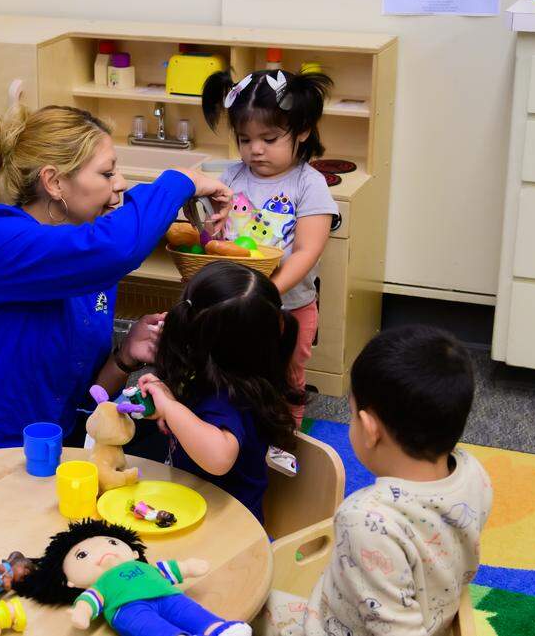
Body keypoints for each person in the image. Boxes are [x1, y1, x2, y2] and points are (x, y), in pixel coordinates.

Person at [0, 104, 232, 468]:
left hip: (38, 458)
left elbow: (80, 399)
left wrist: (124, 358)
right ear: (54, 182)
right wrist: (180, 180)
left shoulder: (87, 266)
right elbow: (118, 248)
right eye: (107, 172)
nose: (121, 183)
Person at [257, 325, 493, 636]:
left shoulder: (363, 518)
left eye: (352, 413)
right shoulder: (472, 472)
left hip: (326, 627)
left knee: (241, 605)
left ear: (370, 429)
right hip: (434, 613)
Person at [201, 68, 337, 424]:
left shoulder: (310, 184)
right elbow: (218, 238)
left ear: (303, 130)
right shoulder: (231, 176)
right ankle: (236, 433)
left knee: (287, 378)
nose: (255, 150)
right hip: (236, 306)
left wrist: (267, 291)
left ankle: (286, 438)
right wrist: (211, 228)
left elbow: (308, 250)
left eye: (269, 138)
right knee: (236, 372)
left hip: (288, 309)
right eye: (245, 139)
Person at [136, 262, 301, 523]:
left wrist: (171, 408)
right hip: (195, 507)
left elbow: (219, 458)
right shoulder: (223, 378)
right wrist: (166, 403)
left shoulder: (230, 397)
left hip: (229, 531)